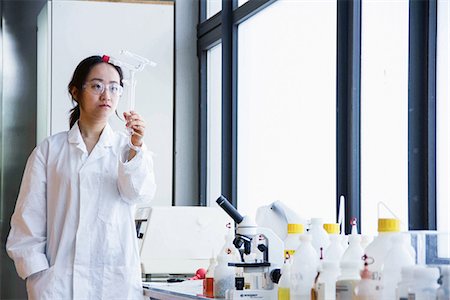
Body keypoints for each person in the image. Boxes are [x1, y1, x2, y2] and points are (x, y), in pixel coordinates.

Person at [6, 55, 156, 299]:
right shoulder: (49, 151)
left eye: (114, 87)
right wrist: (38, 277)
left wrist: (136, 147)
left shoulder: (126, 148)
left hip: (114, 283)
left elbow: (138, 194)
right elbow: (27, 222)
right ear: (75, 92)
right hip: (58, 286)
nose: (106, 95)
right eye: (97, 86)